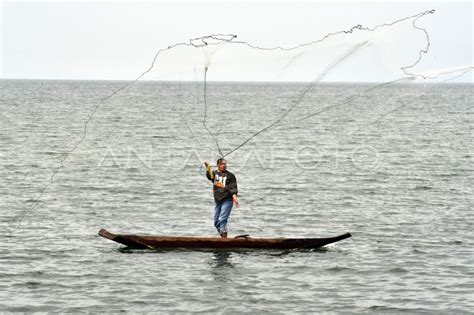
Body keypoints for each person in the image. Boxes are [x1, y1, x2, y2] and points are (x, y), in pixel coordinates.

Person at [204, 158, 239, 238]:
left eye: (225, 164)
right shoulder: (215, 174)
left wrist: (235, 197)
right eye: (222, 164)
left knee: (222, 220)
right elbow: (210, 176)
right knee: (216, 222)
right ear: (218, 165)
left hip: (227, 200)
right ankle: (223, 238)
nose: (224, 166)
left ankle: (224, 240)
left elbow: (233, 187)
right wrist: (207, 167)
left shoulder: (230, 175)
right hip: (218, 200)